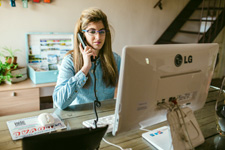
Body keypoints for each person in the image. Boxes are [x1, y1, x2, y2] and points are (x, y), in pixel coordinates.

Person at [53, 8, 121, 110]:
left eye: (101, 32)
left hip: (106, 117)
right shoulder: (70, 61)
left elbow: (127, 90)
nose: (98, 37)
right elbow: (60, 103)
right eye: (92, 31)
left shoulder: (115, 59)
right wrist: (85, 69)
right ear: (82, 35)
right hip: (78, 119)